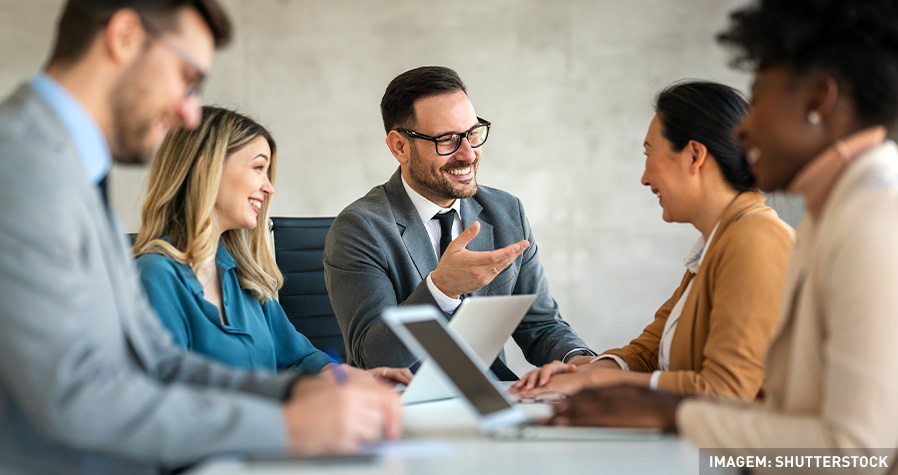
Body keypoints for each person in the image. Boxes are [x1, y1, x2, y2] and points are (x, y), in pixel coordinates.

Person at [0, 1, 399, 473]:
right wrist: (287, 426)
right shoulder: (9, 169)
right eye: (187, 78)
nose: (189, 114)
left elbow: (159, 361)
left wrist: (302, 392)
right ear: (124, 37)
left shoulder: (68, 172)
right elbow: (75, 394)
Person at [549, 0, 898, 470]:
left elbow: (858, 454)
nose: (744, 129)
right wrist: (610, 381)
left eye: (760, 94)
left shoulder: (872, 221)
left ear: (818, 101)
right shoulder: (829, 216)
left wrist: (670, 413)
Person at [512, 81, 793, 400]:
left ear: (694, 156)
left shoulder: (754, 238)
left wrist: (598, 382)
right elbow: (649, 351)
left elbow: (725, 391)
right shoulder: (717, 243)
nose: (644, 177)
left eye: (649, 153)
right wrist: (584, 372)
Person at [324, 66, 593, 379]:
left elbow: (541, 325)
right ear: (400, 147)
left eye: (473, 133)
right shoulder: (359, 229)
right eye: (447, 140)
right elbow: (372, 358)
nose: (468, 154)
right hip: (405, 401)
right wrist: (441, 289)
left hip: (493, 395)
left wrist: (581, 362)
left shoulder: (506, 212)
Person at [133, 105, 412, 384]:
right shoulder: (154, 276)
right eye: (258, 168)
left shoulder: (243, 276)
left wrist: (353, 380)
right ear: (205, 168)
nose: (269, 187)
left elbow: (301, 358)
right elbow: (170, 394)